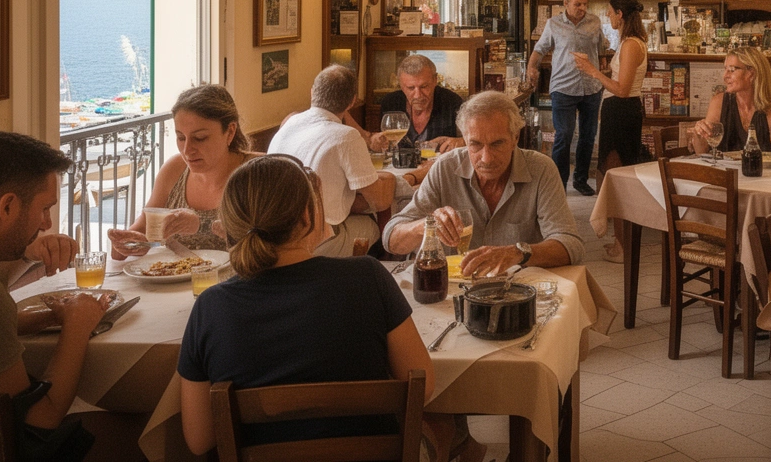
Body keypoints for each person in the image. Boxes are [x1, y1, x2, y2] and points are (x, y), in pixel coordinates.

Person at [177, 155, 482, 461]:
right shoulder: (368, 276)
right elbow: (422, 385)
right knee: (442, 427)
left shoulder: (210, 307)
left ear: (229, 227)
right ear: (308, 217)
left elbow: (199, 439)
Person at [0, 132, 111, 447]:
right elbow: (34, 425)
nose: (47, 224)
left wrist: (37, 318)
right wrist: (77, 326)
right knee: (146, 431)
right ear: (7, 206)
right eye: (45, 209)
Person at [384, 90, 584, 277]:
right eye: (476, 144)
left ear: (515, 138)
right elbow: (391, 240)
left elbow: (570, 245)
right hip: (452, 292)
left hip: (517, 290)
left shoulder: (541, 169)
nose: (486, 158)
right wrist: (425, 226)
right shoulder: (445, 168)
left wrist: (517, 252)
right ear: (465, 139)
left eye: (497, 144)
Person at [269, 66, 414, 257]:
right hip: (315, 241)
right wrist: (394, 179)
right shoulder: (346, 136)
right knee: (375, 225)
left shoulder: (290, 123)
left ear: (312, 92)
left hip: (274, 234)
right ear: (352, 102)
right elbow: (379, 201)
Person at [108, 84, 258, 259]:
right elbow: (122, 251)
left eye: (200, 138)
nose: (187, 150)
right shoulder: (174, 170)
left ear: (230, 131)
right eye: (180, 137)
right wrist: (131, 244)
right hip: (177, 285)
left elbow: (279, 245)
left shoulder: (258, 172)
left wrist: (201, 225)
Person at [572, 0, 647, 261]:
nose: (606, 15)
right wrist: (597, 69)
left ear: (620, 14)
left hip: (622, 111)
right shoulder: (631, 42)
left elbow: (623, 89)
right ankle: (619, 242)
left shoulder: (630, 45)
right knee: (611, 177)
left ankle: (623, 247)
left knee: (616, 181)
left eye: (609, 11)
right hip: (621, 111)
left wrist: (592, 70)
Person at [526, 0, 604, 196]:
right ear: (566, 4)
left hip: (591, 87)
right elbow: (539, 49)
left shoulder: (595, 22)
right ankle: (559, 183)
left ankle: (580, 180)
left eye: (585, 4)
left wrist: (603, 72)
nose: (582, 8)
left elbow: (601, 50)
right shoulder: (554, 24)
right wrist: (531, 68)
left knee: (588, 136)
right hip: (563, 87)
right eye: (578, 4)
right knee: (564, 135)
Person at [690, 47, 771, 154]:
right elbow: (702, 153)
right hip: (725, 170)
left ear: (751, 73)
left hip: (761, 170)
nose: (725, 76)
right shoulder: (718, 102)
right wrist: (698, 134)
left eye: (732, 70)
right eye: (725, 69)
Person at [377, 54, 465, 152]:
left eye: (424, 86)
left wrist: (461, 142)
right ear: (401, 85)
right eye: (411, 88)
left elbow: (471, 140)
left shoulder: (453, 102)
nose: (418, 95)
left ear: (435, 80)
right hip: (398, 167)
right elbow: (384, 145)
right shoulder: (390, 103)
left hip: (437, 166)